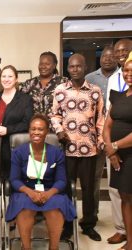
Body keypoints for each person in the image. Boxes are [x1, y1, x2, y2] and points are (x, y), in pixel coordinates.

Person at [51, 53, 105, 241]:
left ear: (85, 67)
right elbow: (54, 115)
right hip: (66, 149)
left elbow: (101, 120)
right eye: (72, 66)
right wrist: (58, 130)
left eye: (78, 66)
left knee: (89, 189)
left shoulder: (95, 91)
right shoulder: (60, 90)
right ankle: (66, 225)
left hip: (89, 149)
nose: (75, 69)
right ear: (67, 68)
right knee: (65, 188)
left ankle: (88, 225)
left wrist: (100, 143)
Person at [5, 114, 76, 250]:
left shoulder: (56, 152)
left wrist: (48, 194)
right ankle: (26, 247)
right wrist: (30, 192)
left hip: (50, 190)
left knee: (56, 206)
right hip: (25, 190)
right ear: (29, 131)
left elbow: (61, 180)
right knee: (23, 205)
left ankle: (53, 247)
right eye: (33, 129)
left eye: (40, 129)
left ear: (47, 132)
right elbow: (14, 179)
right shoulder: (19, 152)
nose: (36, 132)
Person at [0, 65, 33, 179]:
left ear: (16, 79)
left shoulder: (25, 99)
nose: (6, 79)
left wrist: (8, 129)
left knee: (12, 180)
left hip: (14, 148)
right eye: (3, 76)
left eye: (10, 76)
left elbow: (27, 123)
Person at [85, 45, 118, 223]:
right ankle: (92, 217)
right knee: (94, 179)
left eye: (111, 56)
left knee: (119, 181)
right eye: (104, 56)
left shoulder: (123, 76)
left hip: (118, 134)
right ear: (100, 58)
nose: (108, 59)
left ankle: (121, 222)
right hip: (95, 135)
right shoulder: (89, 78)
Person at [104, 38, 132, 246]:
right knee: (121, 195)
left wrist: (114, 146)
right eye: (127, 72)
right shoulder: (117, 86)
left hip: (126, 151)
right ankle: (125, 234)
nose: (128, 74)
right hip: (116, 153)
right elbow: (107, 121)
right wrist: (111, 149)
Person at [19, 51, 67, 118]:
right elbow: (20, 105)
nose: (43, 66)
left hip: (56, 126)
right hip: (35, 126)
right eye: (41, 63)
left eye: (47, 64)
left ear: (54, 65)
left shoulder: (64, 82)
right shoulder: (29, 84)